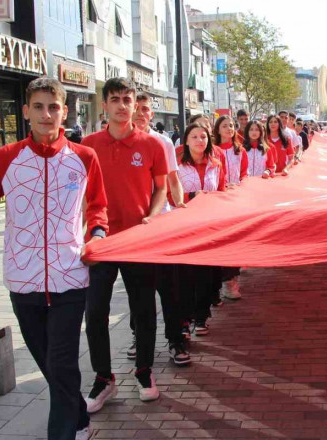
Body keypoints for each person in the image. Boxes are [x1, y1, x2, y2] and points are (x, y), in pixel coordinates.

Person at [0, 78, 108, 440]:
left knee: (62, 363)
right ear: (26, 111)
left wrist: (96, 234)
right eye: (38, 106)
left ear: (64, 112)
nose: (46, 114)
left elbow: (98, 207)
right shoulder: (6, 158)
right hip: (23, 280)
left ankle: (62, 433)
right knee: (50, 364)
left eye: (53, 107)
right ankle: (78, 415)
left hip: (70, 277)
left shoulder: (84, 158)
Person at [81, 78, 170, 412]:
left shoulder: (152, 145)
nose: (121, 105)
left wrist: (154, 215)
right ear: (104, 104)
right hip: (101, 241)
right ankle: (104, 378)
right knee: (95, 313)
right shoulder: (88, 145)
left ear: (135, 104)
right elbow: (79, 193)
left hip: (138, 241)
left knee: (144, 310)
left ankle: (144, 371)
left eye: (127, 99)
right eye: (115, 99)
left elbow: (160, 188)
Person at [132, 91, 191, 367]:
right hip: (131, 229)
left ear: (151, 114)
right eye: (137, 108)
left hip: (161, 225)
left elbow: (173, 179)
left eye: (146, 109)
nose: (141, 113)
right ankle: (138, 336)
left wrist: (180, 206)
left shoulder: (163, 142)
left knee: (169, 286)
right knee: (137, 287)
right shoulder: (113, 143)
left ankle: (175, 339)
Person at [176, 123, 226, 337]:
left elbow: (222, 191)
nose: (199, 140)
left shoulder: (216, 164)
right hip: (184, 226)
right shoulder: (177, 165)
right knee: (185, 276)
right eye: (194, 137)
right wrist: (191, 197)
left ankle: (201, 316)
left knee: (206, 274)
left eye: (203, 137)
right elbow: (170, 195)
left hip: (209, 225)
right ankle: (184, 319)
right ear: (186, 140)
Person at [213, 115, 247, 301]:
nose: (229, 129)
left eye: (231, 126)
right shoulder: (212, 150)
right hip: (218, 200)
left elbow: (244, 173)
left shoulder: (239, 150)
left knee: (235, 240)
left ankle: (231, 281)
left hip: (236, 200)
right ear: (217, 129)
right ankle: (219, 282)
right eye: (224, 126)